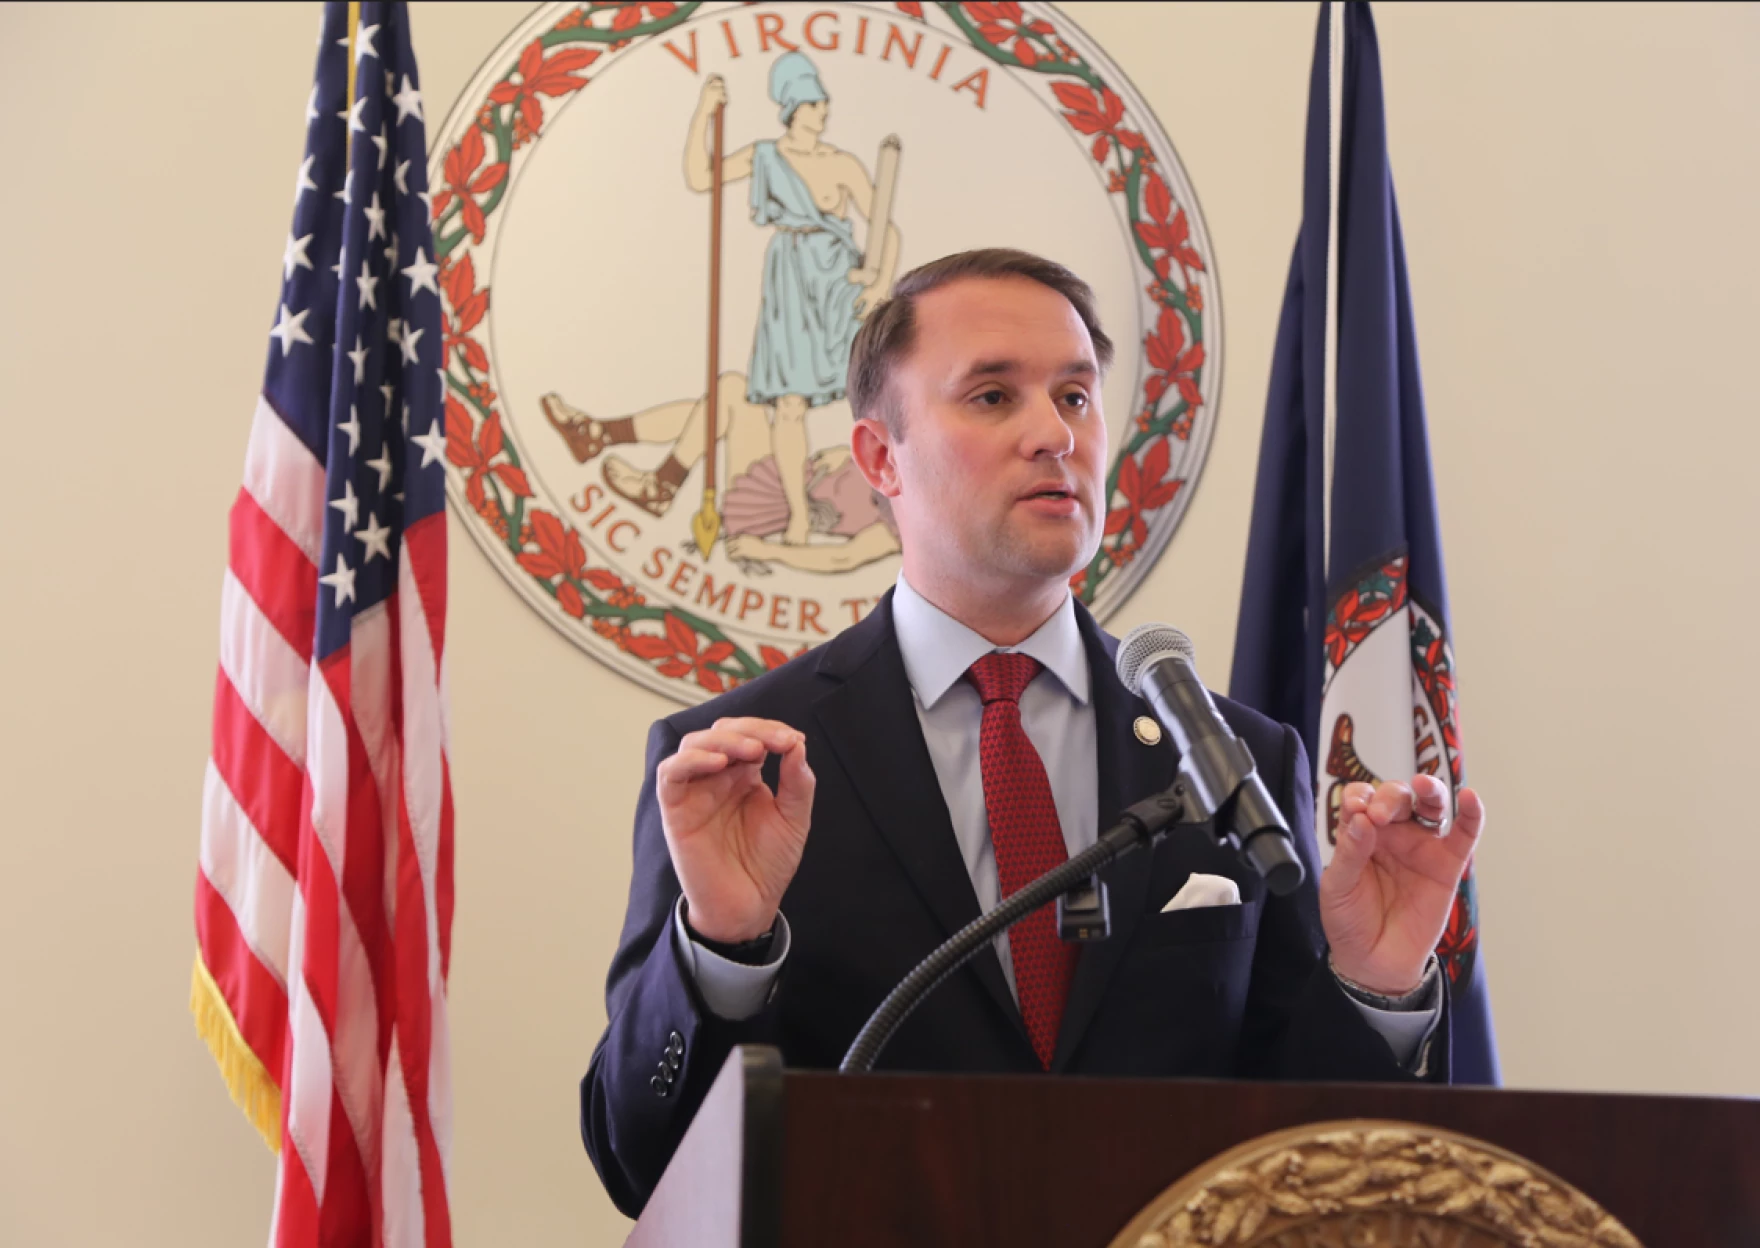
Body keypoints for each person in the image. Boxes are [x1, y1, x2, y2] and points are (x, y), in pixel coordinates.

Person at [579, 249, 1486, 1217]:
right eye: (991, 397)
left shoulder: (1236, 758)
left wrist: (1373, 987)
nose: (1054, 434)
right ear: (880, 458)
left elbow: (1307, 1167)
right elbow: (643, 1166)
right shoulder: (744, 767)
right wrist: (722, 949)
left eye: (1075, 397)